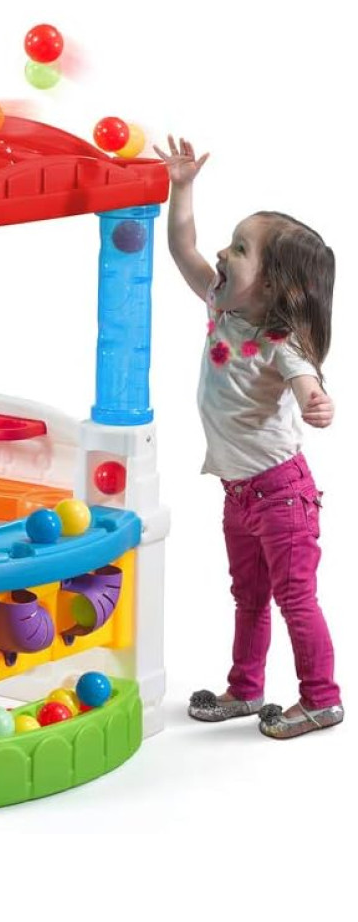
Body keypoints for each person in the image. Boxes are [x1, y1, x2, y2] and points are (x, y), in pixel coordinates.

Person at [155, 135, 343, 739]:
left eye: (240, 249)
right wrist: (182, 188)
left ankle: (321, 699)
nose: (221, 252)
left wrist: (315, 401)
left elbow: (304, 381)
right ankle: (245, 689)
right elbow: (182, 246)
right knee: (249, 597)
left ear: (271, 287)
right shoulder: (221, 304)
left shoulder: (279, 341)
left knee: (295, 598)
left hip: (282, 495)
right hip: (239, 493)